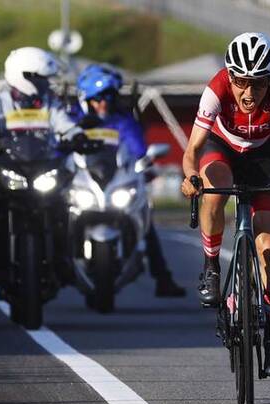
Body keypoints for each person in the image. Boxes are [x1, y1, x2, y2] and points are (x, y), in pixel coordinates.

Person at [180, 32, 270, 377]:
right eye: (241, 81)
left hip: (264, 158)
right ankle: (211, 266)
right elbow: (192, 150)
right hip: (221, 149)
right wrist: (191, 176)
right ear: (230, 76)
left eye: (258, 84)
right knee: (214, 185)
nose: (249, 93)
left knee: (269, 248)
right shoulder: (217, 88)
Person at [0, 47, 86, 327]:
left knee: (68, 208)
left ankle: (66, 263)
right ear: (24, 76)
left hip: (44, 169)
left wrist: (78, 136)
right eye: (42, 78)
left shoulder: (49, 103)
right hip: (8, 173)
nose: (46, 83)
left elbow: (66, 126)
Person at [72, 64, 186, 297]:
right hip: (82, 181)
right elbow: (58, 147)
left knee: (143, 216)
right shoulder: (73, 119)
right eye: (97, 98)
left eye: (108, 97)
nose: (103, 103)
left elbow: (139, 150)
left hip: (116, 182)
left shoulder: (123, 121)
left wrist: (145, 163)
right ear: (86, 99)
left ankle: (162, 277)